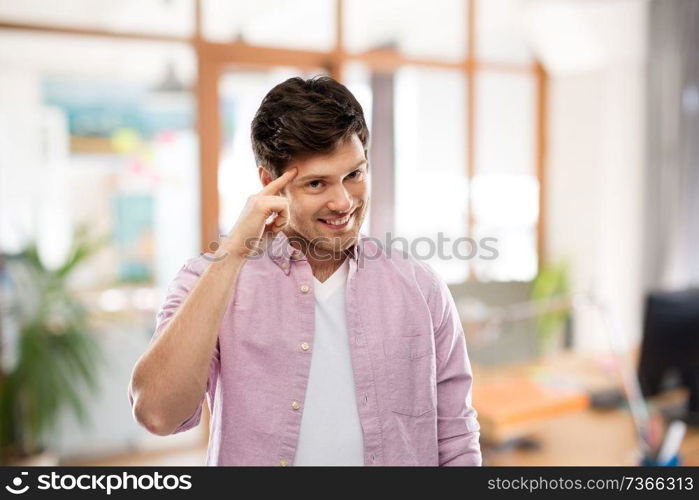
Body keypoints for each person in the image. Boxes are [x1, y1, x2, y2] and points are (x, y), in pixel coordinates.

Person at [128, 76, 481, 466]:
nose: (343, 202)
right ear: (270, 184)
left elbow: (456, 437)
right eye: (317, 183)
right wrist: (232, 254)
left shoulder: (421, 286)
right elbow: (158, 414)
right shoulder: (207, 280)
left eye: (354, 175)